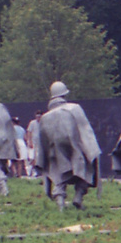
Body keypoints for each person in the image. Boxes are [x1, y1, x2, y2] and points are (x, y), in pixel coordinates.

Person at [36, 81, 101, 211]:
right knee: (86, 168)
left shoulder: (44, 117)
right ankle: (78, 196)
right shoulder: (74, 108)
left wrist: (44, 160)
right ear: (64, 95)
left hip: (55, 150)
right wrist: (92, 150)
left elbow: (42, 143)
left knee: (57, 172)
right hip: (74, 146)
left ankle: (60, 202)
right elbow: (85, 130)